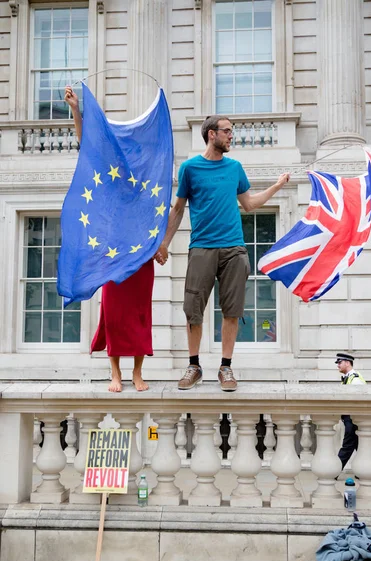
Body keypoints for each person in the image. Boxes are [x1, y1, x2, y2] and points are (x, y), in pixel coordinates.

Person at [155, 115, 290, 391]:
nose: (232, 136)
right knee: (193, 310)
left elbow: (249, 204)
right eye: (227, 131)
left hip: (233, 247)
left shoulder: (235, 168)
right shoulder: (190, 169)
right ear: (211, 134)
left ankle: (225, 368)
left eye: (232, 132)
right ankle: (194, 366)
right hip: (202, 247)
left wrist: (277, 186)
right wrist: (164, 243)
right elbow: (178, 209)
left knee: (232, 310)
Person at [64, 86, 160, 393]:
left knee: (141, 314)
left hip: (140, 258)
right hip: (112, 255)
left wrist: (158, 247)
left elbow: (154, 218)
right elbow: (87, 145)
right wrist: (76, 110)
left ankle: (137, 372)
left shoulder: (146, 182)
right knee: (115, 314)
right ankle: (115, 373)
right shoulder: (108, 176)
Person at [335, 352, 366, 470]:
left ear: (347, 363)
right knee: (360, 446)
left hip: (353, 418)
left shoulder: (355, 379)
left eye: (340, 362)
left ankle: (334, 471)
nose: (338, 365)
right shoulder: (348, 378)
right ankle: (364, 471)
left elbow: (357, 400)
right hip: (350, 417)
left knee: (347, 445)